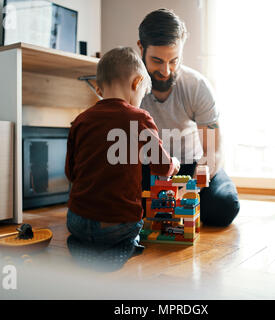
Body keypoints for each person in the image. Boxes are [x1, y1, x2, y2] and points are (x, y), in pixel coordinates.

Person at [65, 47, 181, 254]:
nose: (141, 101)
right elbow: (162, 168)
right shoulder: (140, 118)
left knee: (84, 228)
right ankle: (125, 245)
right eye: (142, 95)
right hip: (117, 226)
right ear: (137, 83)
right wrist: (174, 162)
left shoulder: (80, 121)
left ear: (99, 89)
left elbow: (70, 173)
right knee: (136, 225)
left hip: (76, 221)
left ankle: (83, 243)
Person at [138, 8, 240, 227]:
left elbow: (213, 151)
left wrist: (192, 186)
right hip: (151, 167)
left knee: (223, 206)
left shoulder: (197, 86)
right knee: (128, 204)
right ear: (141, 48)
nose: (166, 70)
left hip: (193, 165)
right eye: (157, 60)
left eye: (174, 60)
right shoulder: (131, 86)